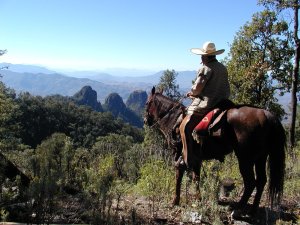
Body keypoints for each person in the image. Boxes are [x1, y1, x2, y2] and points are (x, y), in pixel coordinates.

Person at [179, 41, 230, 168]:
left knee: (185, 127)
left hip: (208, 103)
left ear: (205, 56)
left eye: (202, 55)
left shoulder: (205, 68)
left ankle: (187, 158)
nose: (201, 58)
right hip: (223, 101)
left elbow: (198, 88)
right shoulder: (222, 67)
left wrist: (192, 93)